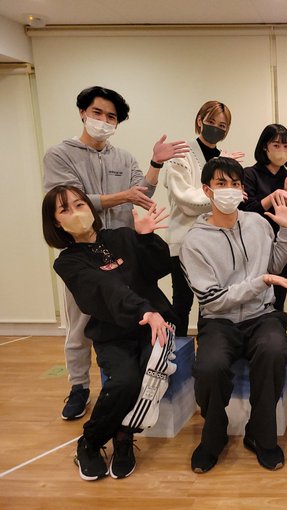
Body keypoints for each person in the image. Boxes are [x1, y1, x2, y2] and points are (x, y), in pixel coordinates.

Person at [43, 85, 188, 420]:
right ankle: (79, 386)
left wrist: (155, 163)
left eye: (111, 117)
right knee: (80, 325)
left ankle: (136, 377)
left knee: (135, 309)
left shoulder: (123, 157)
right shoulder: (60, 155)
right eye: (97, 113)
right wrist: (124, 196)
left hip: (122, 248)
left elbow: (142, 190)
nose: (104, 121)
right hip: (82, 252)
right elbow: (69, 201)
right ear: (83, 112)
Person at [42, 185, 177, 481]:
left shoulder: (123, 236)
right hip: (112, 333)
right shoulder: (67, 263)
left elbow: (159, 268)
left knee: (148, 373)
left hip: (153, 325)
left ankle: (124, 437)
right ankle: (89, 443)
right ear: (56, 223)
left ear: (90, 208)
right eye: (65, 209)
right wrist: (143, 310)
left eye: (80, 204)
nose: (76, 212)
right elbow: (105, 289)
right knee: (125, 382)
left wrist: (146, 238)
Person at [179, 157, 287, 474]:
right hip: (219, 321)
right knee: (209, 367)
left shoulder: (257, 223)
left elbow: (272, 267)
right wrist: (259, 283)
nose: (229, 190)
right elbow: (213, 300)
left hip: (262, 316)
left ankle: (260, 435)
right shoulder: (194, 241)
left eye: (235, 184)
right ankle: (214, 436)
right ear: (207, 190)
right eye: (221, 183)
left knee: (275, 352)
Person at [165, 100, 244, 336]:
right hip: (183, 239)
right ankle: (177, 349)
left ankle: (210, 347)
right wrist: (220, 193)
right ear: (200, 121)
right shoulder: (181, 155)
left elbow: (231, 202)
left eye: (223, 125)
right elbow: (185, 200)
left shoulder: (225, 159)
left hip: (215, 241)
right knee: (182, 300)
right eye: (211, 122)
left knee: (211, 301)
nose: (216, 128)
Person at [242, 124, 287, 311]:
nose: (282, 151)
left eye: (286, 146)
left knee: (278, 302)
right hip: (253, 246)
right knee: (251, 299)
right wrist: (273, 196)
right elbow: (246, 211)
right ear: (265, 147)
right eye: (276, 145)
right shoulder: (249, 174)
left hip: (282, 246)